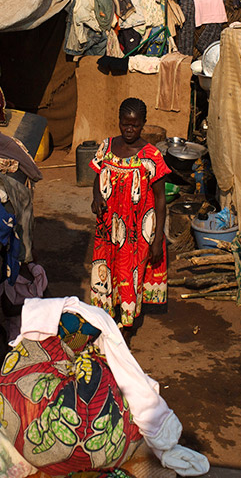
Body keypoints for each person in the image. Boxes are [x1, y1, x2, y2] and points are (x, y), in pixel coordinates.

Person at [89, 97, 170, 338]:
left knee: (128, 275)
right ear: (119, 122)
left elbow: (161, 200)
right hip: (107, 226)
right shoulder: (107, 146)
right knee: (106, 270)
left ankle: (125, 329)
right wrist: (96, 197)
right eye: (125, 124)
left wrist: (157, 240)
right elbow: (97, 175)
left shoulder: (152, 156)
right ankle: (106, 321)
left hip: (136, 232)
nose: (129, 129)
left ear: (143, 124)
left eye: (134, 125)